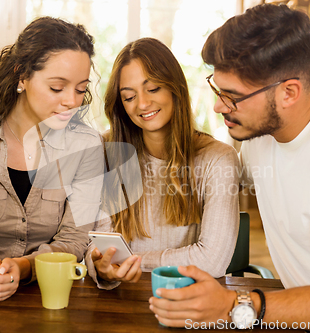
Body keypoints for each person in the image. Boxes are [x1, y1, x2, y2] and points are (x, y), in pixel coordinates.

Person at [149, 4, 310, 331]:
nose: (219, 105)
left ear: (289, 92)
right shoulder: (260, 140)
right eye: (217, 88)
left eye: (232, 96)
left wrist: (234, 306)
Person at [0, 17, 104, 302]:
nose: (72, 102)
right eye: (57, 87)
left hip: (53, 294)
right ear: (21, 76)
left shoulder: (86, 145)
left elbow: (75, 238)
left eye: (80, 89)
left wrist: (25, 267)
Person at [85, 37, 239, 289]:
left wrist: (134, 261)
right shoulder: (107, 151)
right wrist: (102, 265)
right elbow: (101, 241)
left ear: (174, 87)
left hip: (188, 302)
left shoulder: (217, 159)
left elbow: (212, 260)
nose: (143, 104)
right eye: (129, 97)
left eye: (153, 88)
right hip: (123, 302)